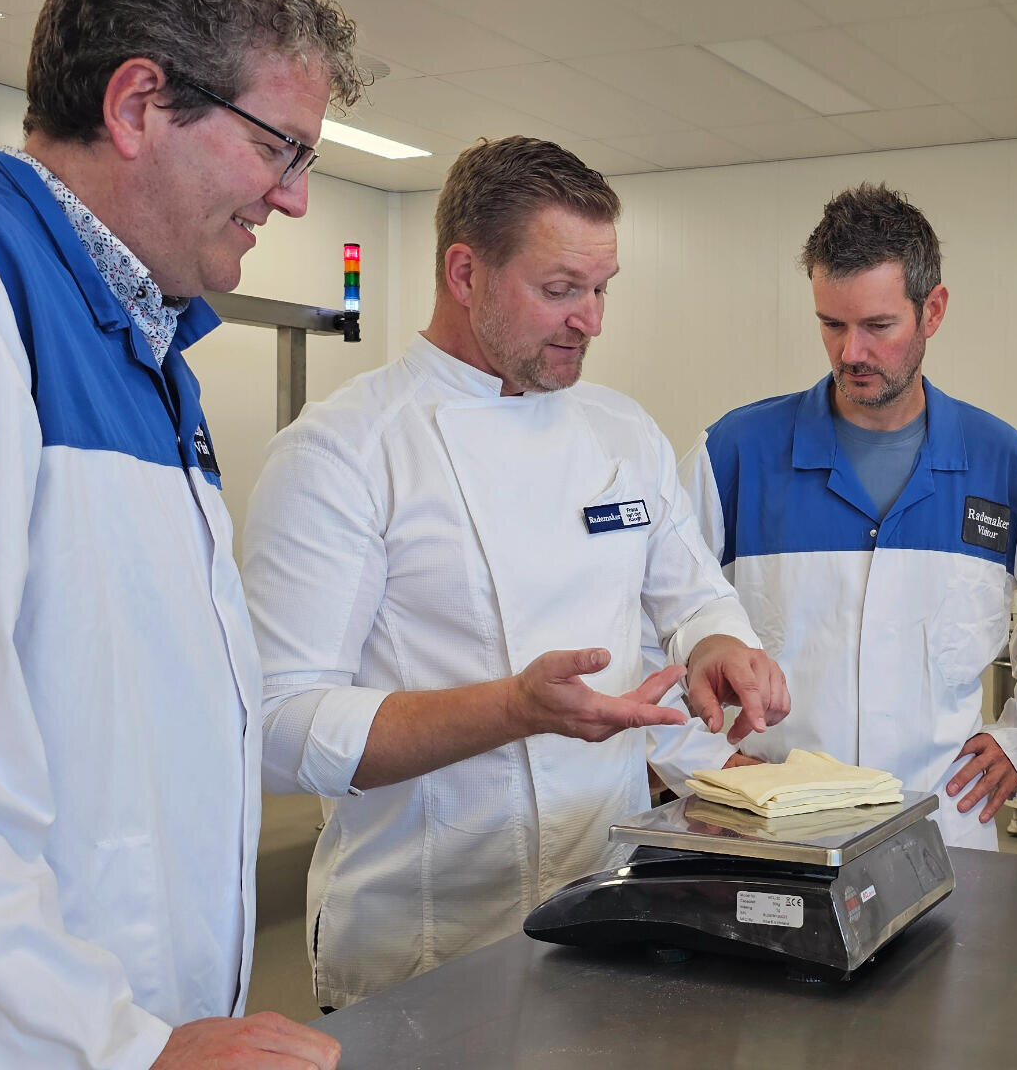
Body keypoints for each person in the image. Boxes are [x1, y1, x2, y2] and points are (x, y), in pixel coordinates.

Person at [241, 136, 789, 1009]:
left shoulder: (622, 432)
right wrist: (512, 709)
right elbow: (276, 726)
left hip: (605, 923)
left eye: (602, 289)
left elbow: (692, 592)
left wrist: (719, 640)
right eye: (561, 290)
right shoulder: (344, 451)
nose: (592, 320)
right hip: (418, 952)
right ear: (465, 273)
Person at [0, 0, 364, 1065]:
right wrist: (118, 1044)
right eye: (280, 148)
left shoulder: (150, 350)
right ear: (137, 104)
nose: (298, 198)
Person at [676, 183, 1017, 849]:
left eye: (877, 326)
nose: (851, 354)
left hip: (943, 824)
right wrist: (705, 764)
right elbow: (652, 620)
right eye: (831, 325)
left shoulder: (1002, 463)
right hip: (773, 832)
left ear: (932, 311)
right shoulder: (735, 454)